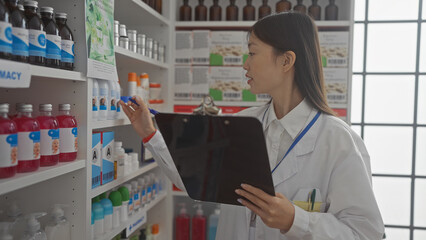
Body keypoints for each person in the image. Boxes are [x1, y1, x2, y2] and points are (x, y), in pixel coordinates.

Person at [119, 12, 384, 240]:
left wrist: (296, 221)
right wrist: (150, 133)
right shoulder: (240, 125)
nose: (244, 64)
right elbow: (194, 177)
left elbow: (364, 232)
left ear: (286, 61)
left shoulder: (338, 141)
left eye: (253, 52)